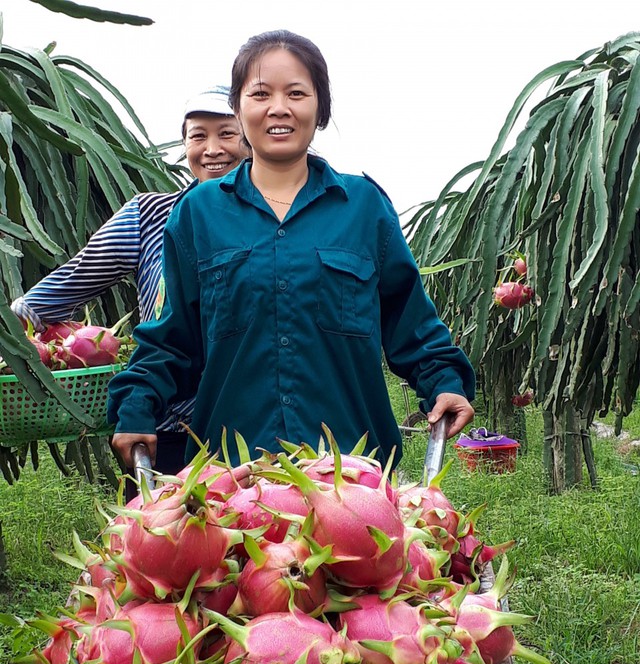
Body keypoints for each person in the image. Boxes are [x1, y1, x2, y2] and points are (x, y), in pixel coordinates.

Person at [108, 31, 474, 477]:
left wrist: (444, 382)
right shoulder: (198, 214)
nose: (278, 107)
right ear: (239, 109)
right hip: (232, 476)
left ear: (320, 108)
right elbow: (173, 338)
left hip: (354, 478)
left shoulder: (363, 207)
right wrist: (137, 404)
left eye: (296, 93)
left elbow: (408, 320)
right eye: (260, 93)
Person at [11, 86, 248, 477]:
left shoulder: (277, 219)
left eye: (227, 133)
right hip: (167, 426)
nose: (213, 149)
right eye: (198, 135)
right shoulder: (149, 215)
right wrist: (11, 327)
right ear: (184, 143)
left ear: (250, 139)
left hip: (257, 427)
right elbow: (74, 279)